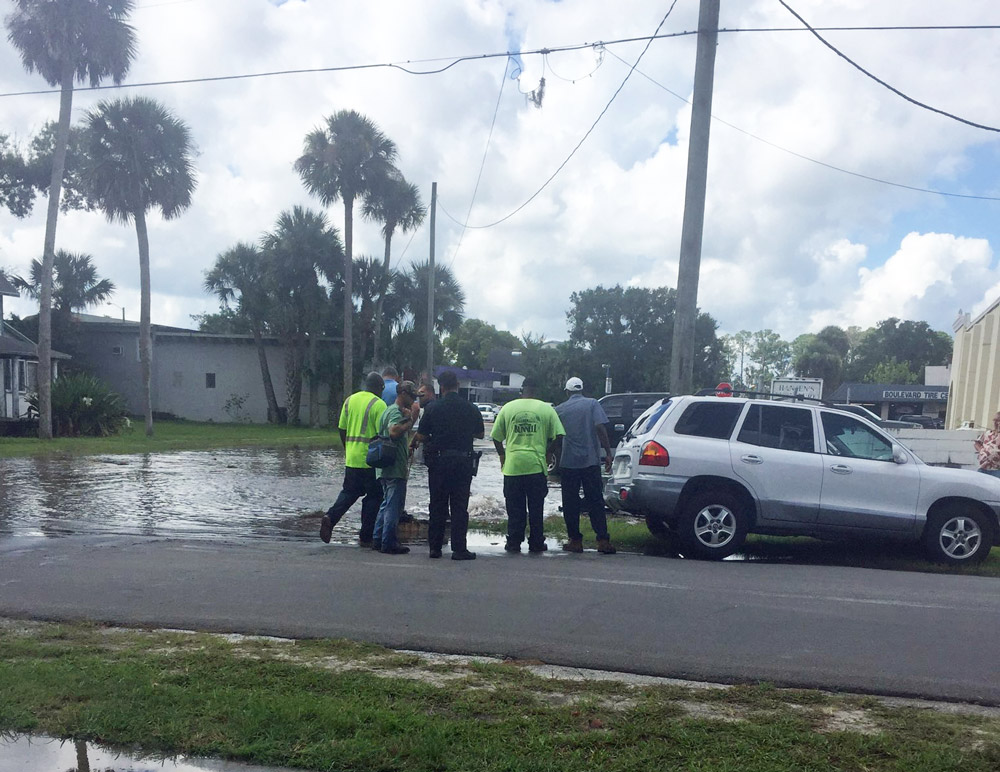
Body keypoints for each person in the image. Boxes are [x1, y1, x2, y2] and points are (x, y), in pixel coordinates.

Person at [413, 370, 483, 560]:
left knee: (437, 505)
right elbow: (480, 434)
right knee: (460, 506)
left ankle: (435, 548)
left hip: (439, 462)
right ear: (458, 386)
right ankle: (459, 549)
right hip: (463, 462)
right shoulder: (470, 408)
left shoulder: (433, 408)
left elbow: (421, 435)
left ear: (441, 387)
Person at [491, 377, 565, 554]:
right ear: (536, 390)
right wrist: (548, 452)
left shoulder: (508, 408)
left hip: (513, 466)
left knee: (514, 507)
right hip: (536, 466)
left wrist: (502, 454)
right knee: (536, 507)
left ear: (521, 390)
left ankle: (514, 542)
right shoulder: (546, 409)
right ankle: (536, 542)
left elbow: (495, 437)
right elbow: (560, 435)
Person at [320, 372, 386, 547]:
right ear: (380, 388)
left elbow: (342, 428)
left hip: (352, 458)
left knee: (349, 493)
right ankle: (366, 536)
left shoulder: (350, 400)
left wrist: (348, 448)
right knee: (374, 497)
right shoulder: (379, 404)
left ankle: (330, 517)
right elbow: (384, 434)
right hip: (371, 461)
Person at [554, 377, 616, 554]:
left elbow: (557, 437)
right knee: (595, 501)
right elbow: (600, 428)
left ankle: (575, 541)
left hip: (568, 463)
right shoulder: (593, 404)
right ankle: (603, 540)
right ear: (582, 389)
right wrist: (608, 453)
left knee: (570, 503)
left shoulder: (560, 409)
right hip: (590, 462)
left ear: (567, 392)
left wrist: (549, 453)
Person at [372, 380, 420, 554]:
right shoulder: (395, 412)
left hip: (385, 465)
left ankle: (377, 538)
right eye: (413, 396)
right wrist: (410, 420)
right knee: (394, 506)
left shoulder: (387, 410)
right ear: (404, 394)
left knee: (386, 504)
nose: (415, 400)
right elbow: (393, 431)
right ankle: (388, 542)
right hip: (394, 467)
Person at [974, 411, 1000, 478]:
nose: (996, 423)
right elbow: (977, 443)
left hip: (997, 470)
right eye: (994, 420)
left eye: (998, 420)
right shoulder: (988, 433)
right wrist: (981, 451)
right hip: (983, 468)